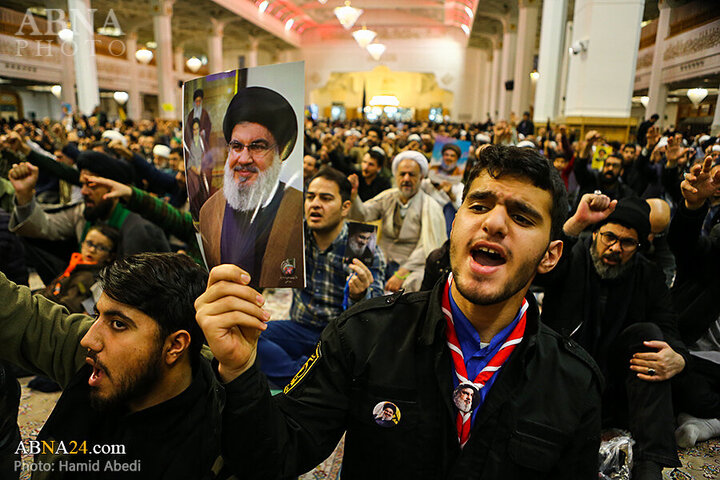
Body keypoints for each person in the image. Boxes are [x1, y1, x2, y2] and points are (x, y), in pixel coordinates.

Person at [196, 144, 602, 479]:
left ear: (550, 256)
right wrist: (239, 370)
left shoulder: (572, 380)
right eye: (479, 206)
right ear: (455, 225)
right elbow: (274, 456)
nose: (495, 223)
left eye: (521, 216)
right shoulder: (363, 335)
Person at [0, 253, 232, 479]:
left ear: (174, 346)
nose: (89, 340)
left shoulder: (219, 433)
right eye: (97, 316)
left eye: (118, 324)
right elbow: (21, 314)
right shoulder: (101, 359)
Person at [536, 194, 687, 480]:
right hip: (562, 375)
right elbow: (538, 269)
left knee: (651, 337)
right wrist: (574, 224)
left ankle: (650, 464)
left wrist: (678, 357)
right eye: (609, 237)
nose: (615, 248)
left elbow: (668, 328)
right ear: (596, 233)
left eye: (627, 242)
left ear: (640, 245)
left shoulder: (648, 275)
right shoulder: (571, 257)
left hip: (616, 384)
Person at [255, 168, 385, 387]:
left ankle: (303, 375)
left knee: (365, 361)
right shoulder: (293, 235)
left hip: (339, 336)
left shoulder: (360, 243)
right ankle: (307, 376)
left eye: (325, 198)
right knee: (249, 337)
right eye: (310, 197)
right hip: (299, 327)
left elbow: (375, 314)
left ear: (345, 208)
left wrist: (360, 294)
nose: (315, 204)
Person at [198, 86, 304, 288]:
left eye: (257, 146)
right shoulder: (209, 211)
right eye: (236, 146)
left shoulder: (301, 208)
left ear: (279, 153)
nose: (244, 159)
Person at [8, 152, 170, 282]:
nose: (84, 191)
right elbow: (43, 227)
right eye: (83, 184)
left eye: (91, 185)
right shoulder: (85, 212)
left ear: (113, 187)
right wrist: (24, 194)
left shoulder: (139, 226)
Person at [667, 156, 720, 447]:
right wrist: (694, 206)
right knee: (686, 387)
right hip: (689, 360)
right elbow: (684, 244)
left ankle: (707, 424)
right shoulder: (710, 261)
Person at [347, 150, 447, 292]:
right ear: (396, 176)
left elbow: (427, 247)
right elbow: (363, 215)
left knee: (415, 282)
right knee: (356, 273)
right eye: (402, 174)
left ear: (421, 177)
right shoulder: (388, 197)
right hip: (380, 258)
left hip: (411, 265)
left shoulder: (430, 206)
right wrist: (354, 196)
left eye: (411, 174)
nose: (406, 179)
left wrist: (401, 273)